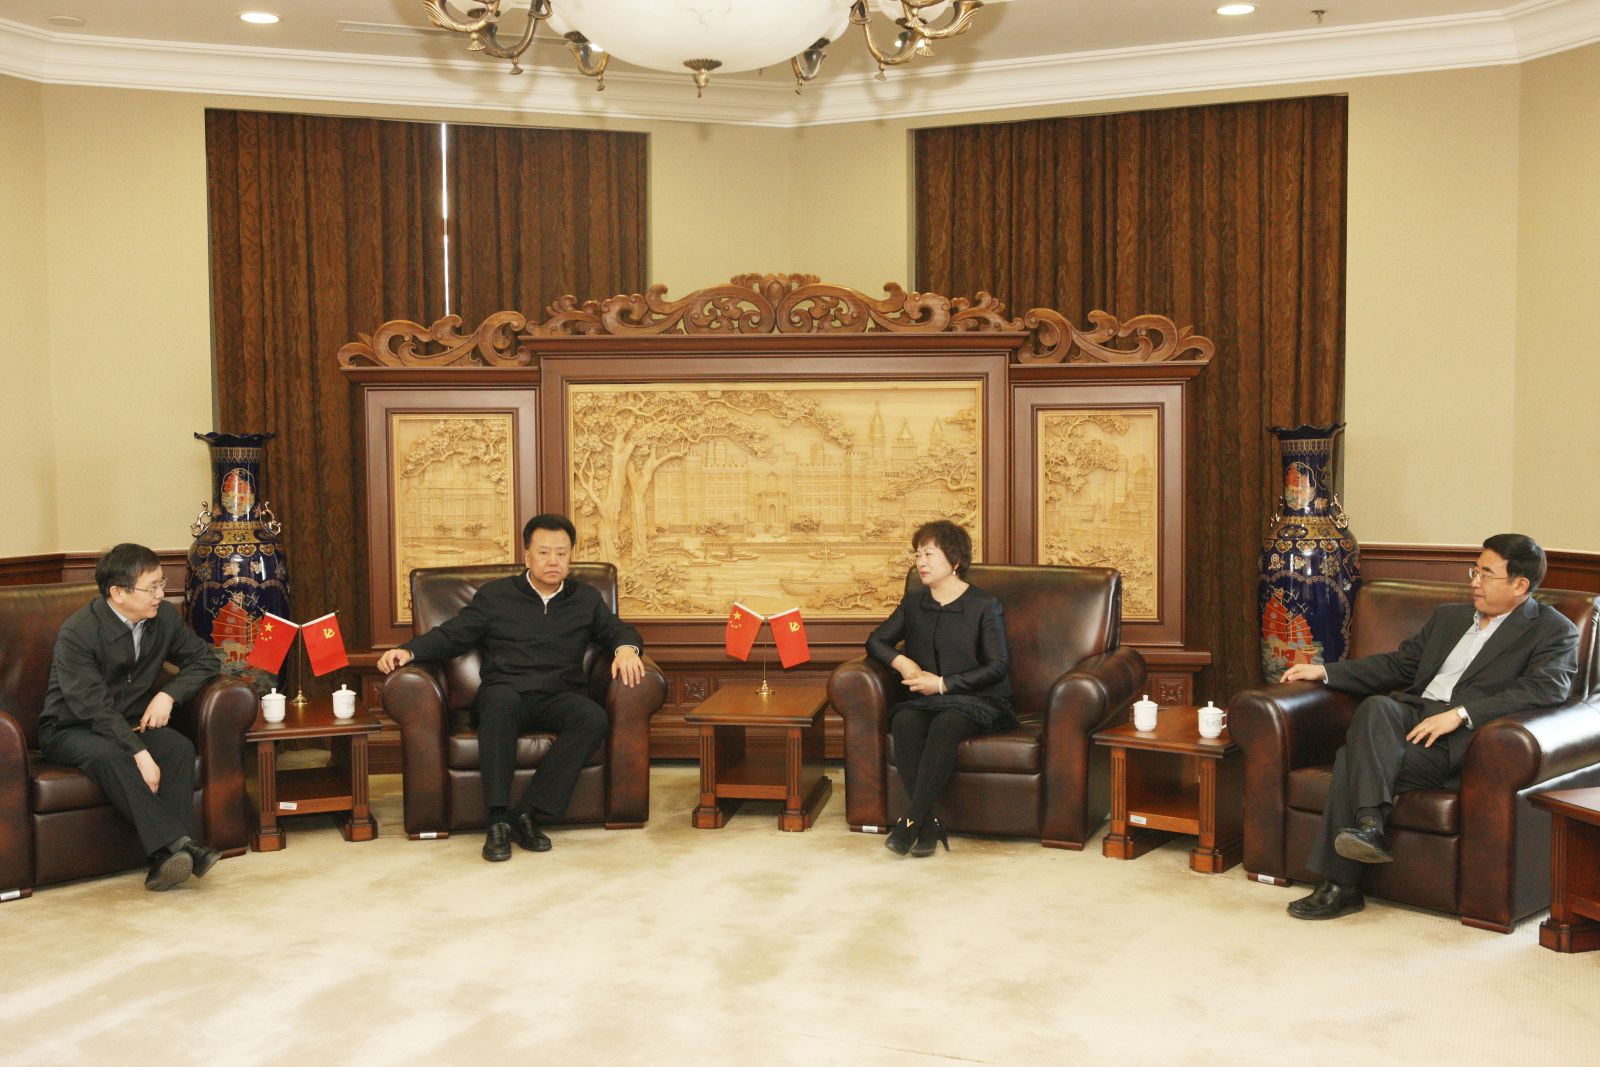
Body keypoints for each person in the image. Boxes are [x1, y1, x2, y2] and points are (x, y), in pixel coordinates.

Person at [1280, 533, 1580, 920]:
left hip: (1460, 740)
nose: (1474, 581)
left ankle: (1342, 885)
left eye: (1486, 574)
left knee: (1351, 758)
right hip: (1411, 717)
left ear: (1520, 585)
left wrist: (1462, 713)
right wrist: (1325, 672)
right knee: (1377, 706)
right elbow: (1399, 665)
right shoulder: (1450, 617)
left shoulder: (1553, 630)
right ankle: (1369, 825)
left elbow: (1545, 689)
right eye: (1474, 571)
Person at [376, 513, 646, 862]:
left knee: (592, 718)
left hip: (559, 695)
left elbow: (619, 630)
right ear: (527, 556)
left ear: (571, 556)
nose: (553, 561)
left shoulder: (585, 598)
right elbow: (453, 634)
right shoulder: (496, 595)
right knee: (500, 705)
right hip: (506, 691)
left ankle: (528, 813)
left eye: (561, 553)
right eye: (544, 553)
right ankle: (498, 821)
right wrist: (409, 651)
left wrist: (626, 649)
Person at [38, 543, 225, 892]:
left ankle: (166, 861)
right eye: (151, 588)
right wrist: (138, 752)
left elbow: (205, 660)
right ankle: (183, 846)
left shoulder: (163, 617)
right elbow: (91, 707)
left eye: (161, 583)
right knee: (110, 754)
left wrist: (169, 694)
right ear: (118, 593)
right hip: (70, 727)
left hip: (129, 722)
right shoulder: (78, 633)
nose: (160, 594)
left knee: (177, 748)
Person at [866, 519, 1015, 858]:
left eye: (929, 554)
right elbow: (876, 641)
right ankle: (929, 824)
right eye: (918, 555)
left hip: (978, 699)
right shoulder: (914, 601)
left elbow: (997, 666)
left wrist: (942, 684)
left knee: (947, 725)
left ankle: (910, 823)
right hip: (925, 701)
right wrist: (901, 662)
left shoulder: (984, 605)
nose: (921, 562)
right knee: (904, 722)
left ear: (955, 561)